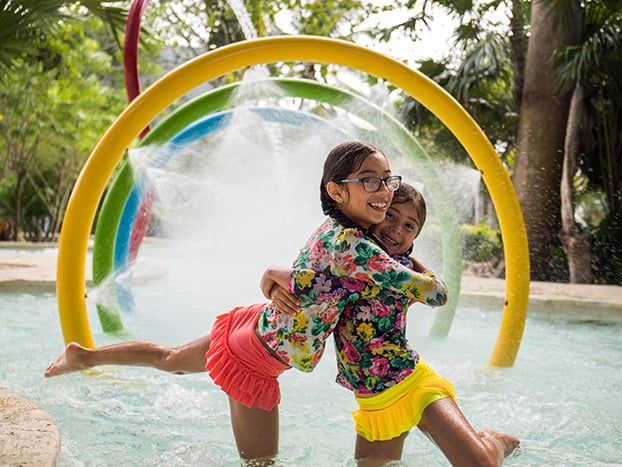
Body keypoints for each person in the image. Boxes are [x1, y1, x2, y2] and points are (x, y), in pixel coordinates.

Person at [45, 141, 447, 464]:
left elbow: (315, 280)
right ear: (337, 191)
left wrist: (273, 278)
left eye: (387, 180)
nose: (384, 191)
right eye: (370, 181)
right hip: (255, 361)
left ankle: (84, 356)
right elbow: (434, 293)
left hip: (254, 325)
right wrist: (411, 259)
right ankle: (85, 359)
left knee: (169, 358)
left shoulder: (333, 229)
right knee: (260, 465)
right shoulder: (355, 248)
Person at [268, 183, 520, 466]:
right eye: (391, 215)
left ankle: (494, 442)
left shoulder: (400, 269)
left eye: (409, 225)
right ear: (375, 212)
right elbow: (318, 286)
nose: (397, 228)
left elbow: (438, 293)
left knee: (480, 465)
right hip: (373, 401)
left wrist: (272, 276)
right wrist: (273, 284)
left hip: (412, 383)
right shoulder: (353, 258)